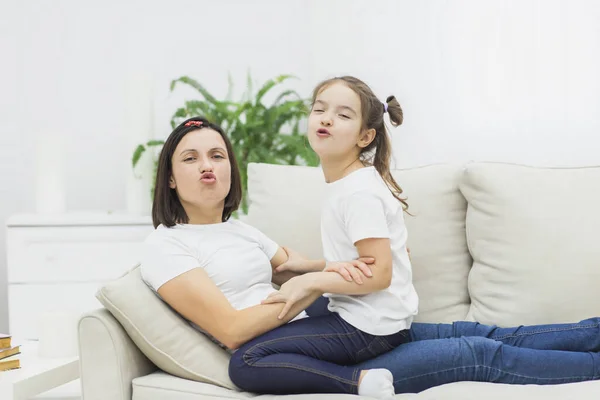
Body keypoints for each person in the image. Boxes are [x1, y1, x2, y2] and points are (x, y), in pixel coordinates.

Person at [141, 107, 600, 397]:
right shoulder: (167, 245)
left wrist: (338, 270)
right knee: (478, 354)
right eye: (191, 158)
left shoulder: (240, 231)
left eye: (217, 156)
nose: (207, 166)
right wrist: (307, 289)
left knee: (476, 331)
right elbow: (233, 329)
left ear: (229, 171)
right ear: (170, 179)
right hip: (306, 351)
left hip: (326, 331)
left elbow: (294, 265)